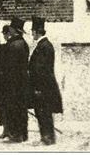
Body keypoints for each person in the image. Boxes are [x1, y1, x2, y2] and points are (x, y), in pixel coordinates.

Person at [28, 16, 62, 146]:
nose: (32, 34)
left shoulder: (44, 46)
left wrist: (38, 88)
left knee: (44, 113)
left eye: (33, 31)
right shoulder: (44, 45)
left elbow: (41, 70)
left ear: (36, 32)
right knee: (42, 112)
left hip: (43, 88)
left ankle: (47, 138)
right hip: (44, 87)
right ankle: (46, 137)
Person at [3, 16, 29, 143]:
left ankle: (15, 134)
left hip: (12, 83)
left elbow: (9, 66)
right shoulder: (24, 43)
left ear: (14, 30)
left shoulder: (13, 45)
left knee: (13, 108)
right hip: (22, 82)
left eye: (11, 28)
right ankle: (23, 134)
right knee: (22, 108)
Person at [0, 24, 10, 139]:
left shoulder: (7, 46)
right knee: (3, 108)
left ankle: (7, 130)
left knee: (5, 107)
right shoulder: (5, 46)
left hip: (5, 82)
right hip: (4, 82)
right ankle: (6, 130)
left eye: (4, 34)